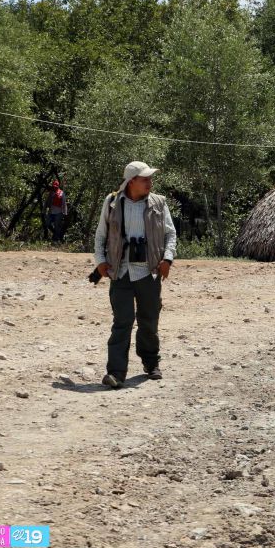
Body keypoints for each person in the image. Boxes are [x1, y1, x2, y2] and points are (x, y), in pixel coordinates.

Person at [94, 161, 177, 389]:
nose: (150, 183)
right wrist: (100, 261)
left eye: (150, 179)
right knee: (122, 322)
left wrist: (167, 259)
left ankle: (151, 364)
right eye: (145, 179)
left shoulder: (159, 203)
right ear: (131, 182)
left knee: (149, 320)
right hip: (120, 272)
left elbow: (170, 234)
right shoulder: (111, 202)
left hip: (148, 272)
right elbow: (101, 235)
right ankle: (116, 373)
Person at [45, 179, 68, 243]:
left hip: (59, 212)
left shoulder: (62, 193)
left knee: (57, 226)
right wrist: (44, 210)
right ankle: (55, 233)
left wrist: (65, 213)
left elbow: (64, 203)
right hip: (51, 212)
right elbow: (47, 202)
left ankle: (55, 239)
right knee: (47, 223)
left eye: (55, 186)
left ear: (58, 186)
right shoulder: (51, 193)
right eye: (53, 186)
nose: (54, 187)